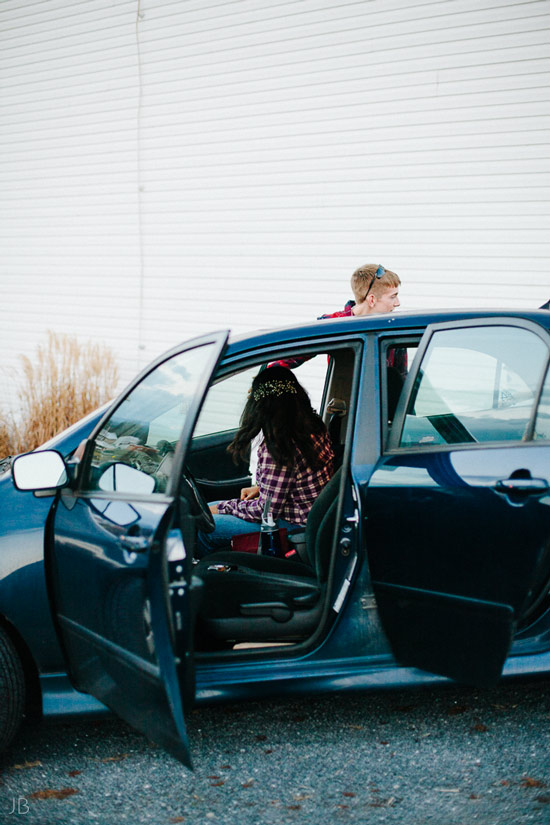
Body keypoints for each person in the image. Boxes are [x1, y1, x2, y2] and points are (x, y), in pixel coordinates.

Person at [195, 366, 335, 557]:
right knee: (211, 509)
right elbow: (296, 478)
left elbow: (266, 511)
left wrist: (222, 508)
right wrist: (261, 489)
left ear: (261, 405)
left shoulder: (280, 445)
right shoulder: (311, 426)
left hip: (294, 526)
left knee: (207, 526)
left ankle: (210, 572)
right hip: (309, 516)